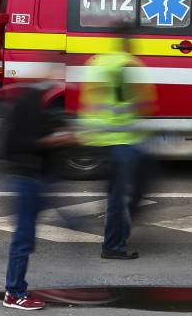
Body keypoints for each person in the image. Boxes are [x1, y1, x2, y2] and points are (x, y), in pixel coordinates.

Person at [0, 64, 78, 310]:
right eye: (57, 75)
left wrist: (59, 133)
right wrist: (57, 140)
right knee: (23, 238)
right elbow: (24, 142)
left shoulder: (36, 101)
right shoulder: (28, 102)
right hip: (24, 178)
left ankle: (14, 288)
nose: (60, 80)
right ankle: (14, 293)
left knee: (27, 236)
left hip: (34, 177)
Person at [76, 37, 159, 260]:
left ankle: (116, 238)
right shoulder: (128, 64)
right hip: (122, 141)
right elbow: (146, 104)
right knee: (121, 197)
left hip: (98, 140)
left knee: (119, 195)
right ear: (128, 43)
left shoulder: (96, 62)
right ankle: (113, 246)